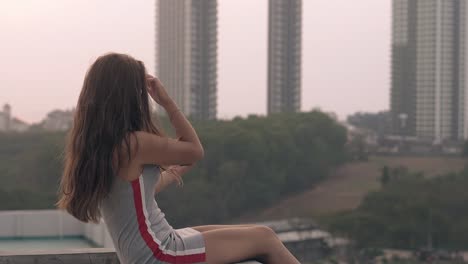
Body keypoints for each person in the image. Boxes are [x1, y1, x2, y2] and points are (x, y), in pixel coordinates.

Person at [56, 53, 300, 264]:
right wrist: (167, 102)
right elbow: (194, 150)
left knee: (238, 233)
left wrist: (172, 173)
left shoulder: (97, 145)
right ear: (130, 94)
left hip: (147, 251)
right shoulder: (135, 143)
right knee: (264, 236)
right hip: (160, 253)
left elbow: (135, 195)